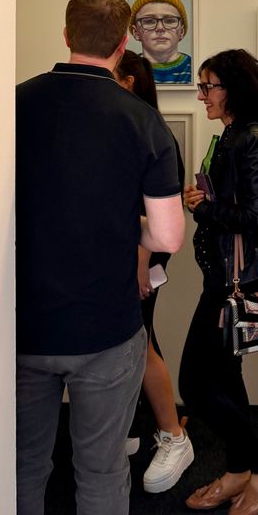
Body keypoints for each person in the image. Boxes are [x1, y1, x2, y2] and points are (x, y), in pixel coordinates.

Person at [16, 0, 185, 515]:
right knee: (102, 471)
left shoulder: (13, 104)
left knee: (22, 468)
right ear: (123, 44)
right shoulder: (141, 120)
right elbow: (168, 237)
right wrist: (127, 230)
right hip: (106, 329)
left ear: (66, 35)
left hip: (22, 323)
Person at [179, 49, 258, 515]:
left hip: (230, 286)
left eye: (208, 87)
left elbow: (256, 216)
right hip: (219, 280)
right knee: (226, 380)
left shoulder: (252, 138)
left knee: (194, 385)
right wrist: (204, 201)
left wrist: (203, 208)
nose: (201, 95)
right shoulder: (232, 135)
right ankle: (239, 469)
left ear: (233, 89)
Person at [114, 50, 195, 492]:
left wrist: (141, 266)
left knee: (141, 341)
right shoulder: (132, 125)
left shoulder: (147, 131)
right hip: (131, 252)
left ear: (128, 82)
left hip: (142, 255)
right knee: (133, 340)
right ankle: (132, 428)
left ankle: (173, 435)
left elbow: (151, 212)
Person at [129, 0, 192, 84]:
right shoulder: (126, 70)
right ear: (136, 32)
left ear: (182, 31)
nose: (160, 28)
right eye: (149, 21)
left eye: (170, 21)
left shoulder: (194, 67)